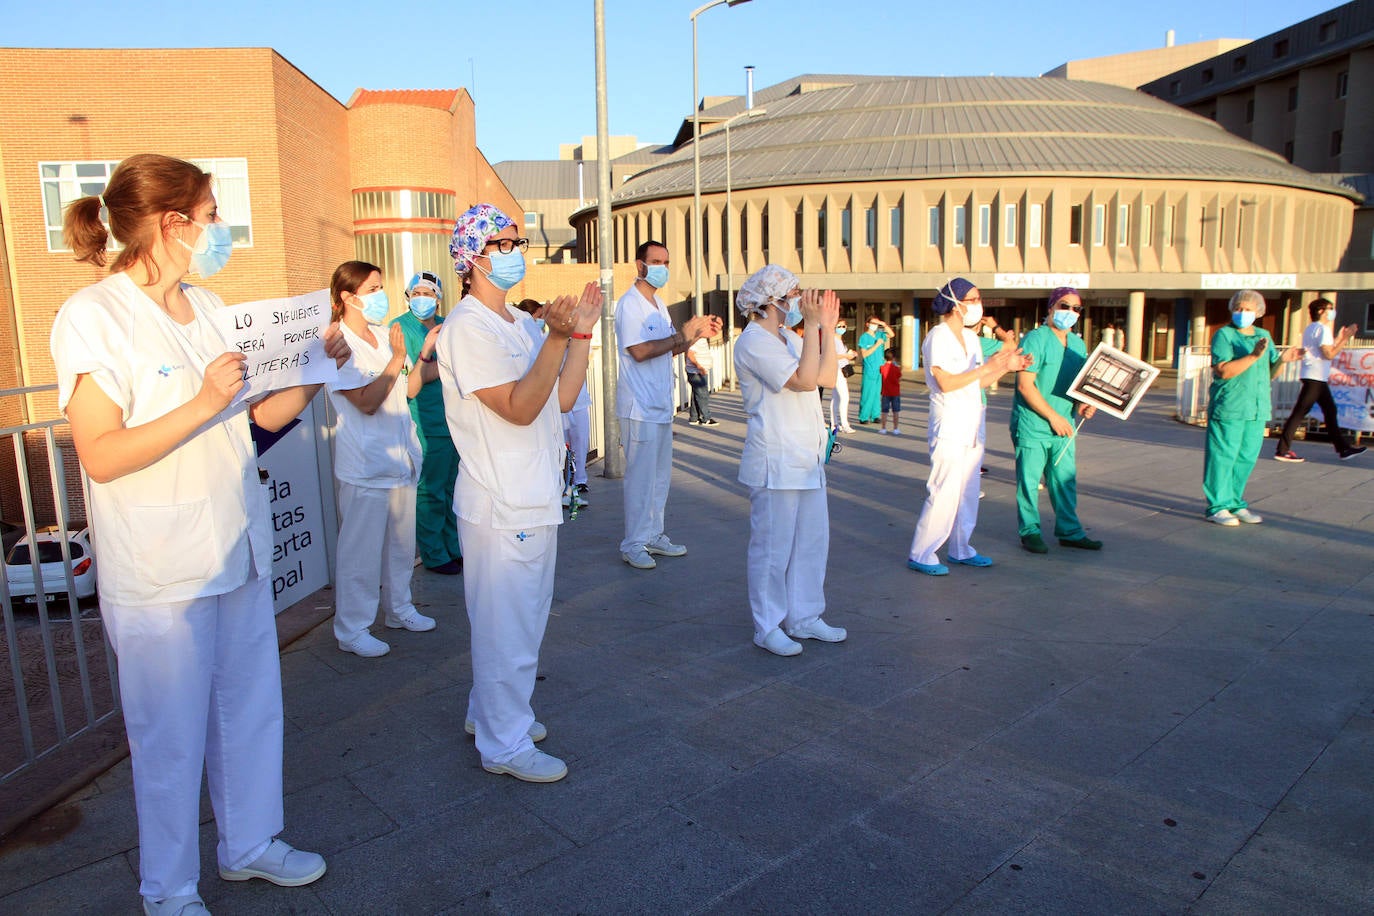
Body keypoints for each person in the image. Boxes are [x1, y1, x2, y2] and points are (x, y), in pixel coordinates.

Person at [51, 154, 336, 914]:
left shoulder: (208, 306)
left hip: (234, 547)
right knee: (169, 737)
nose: (220, 228)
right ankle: (169, 889)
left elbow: (256, 419)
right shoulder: (94, 316)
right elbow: (100, 454)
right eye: (211, 215)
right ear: (172, 223)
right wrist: (205, 400)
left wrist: (316, 369)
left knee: (250, 707)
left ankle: (250, 844)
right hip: (160, 569)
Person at [436, 204, 602, 782]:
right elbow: (518, 406)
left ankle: (490, 711)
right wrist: (556, 336)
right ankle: (503, 744)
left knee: (523, 620)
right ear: (472, 257)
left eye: (516, 242)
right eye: (502, 243)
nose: (514, 252)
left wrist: (579, 332)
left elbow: (561, 397)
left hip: (532, 492)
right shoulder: (467, 328)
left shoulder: (517, 323)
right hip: (501, 498)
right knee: (506, 626)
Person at [733, 265, 847, 656]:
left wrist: (825, 328)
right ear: (771, 300)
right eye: (793, 293)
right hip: (775, 460)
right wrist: (813, 326)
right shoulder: (753, 341)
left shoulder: (789, 338)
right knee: (772, 548)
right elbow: (802, 381)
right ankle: (767, 626)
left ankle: (805, 617)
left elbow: (825, 377)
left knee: (812, 542)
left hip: (806, 458)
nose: (799, 300)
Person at [327, 261, 434, 658]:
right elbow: (367, 401)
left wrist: (420, 356)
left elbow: (406, 390)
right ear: (348, 297)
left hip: (400, 458)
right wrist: (396, 358)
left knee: (401, 547)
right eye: (372, 289)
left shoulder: (382, 335)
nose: (380, 296)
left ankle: (399, 608)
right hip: (366, 465)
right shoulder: (338, 344)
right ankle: (352, 629)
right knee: (361, 553)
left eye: (379, 287)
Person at [907, 279, 1030, 575]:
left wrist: (1005, 367)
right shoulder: (937, 336)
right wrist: (988, 367)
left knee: (968, 491)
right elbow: (946, 383)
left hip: (973, 423)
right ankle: (922, 552)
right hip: (949, 423)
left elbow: (979, 381)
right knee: (944, 490)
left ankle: (961, 549)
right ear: (955, 303)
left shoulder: (971, 338)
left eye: (978, 298)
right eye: (973, 299)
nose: (978, 305)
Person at [614, 240, 721, 569]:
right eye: (657, 262)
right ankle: (633, 543)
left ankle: (653, 535)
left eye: (666, 262)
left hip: (660, 406)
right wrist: (681, 336)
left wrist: (696, 334)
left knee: (659, 478)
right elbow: (639, 351)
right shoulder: (629, 305)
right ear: (640, 265)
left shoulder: (659, 305)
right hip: (639, 407)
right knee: (641, 480)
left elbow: (671, 348)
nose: (663, 268)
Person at [1011, 287, 1103, 554]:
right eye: (1064, 306)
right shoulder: (1035, 339)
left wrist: (1083, 405)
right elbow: (1025, 386)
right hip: (1034, 424)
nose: (1070, 312)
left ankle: (1069, 531)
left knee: (1064, 480)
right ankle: (1030, 531)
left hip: (1064, 425)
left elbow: (1077, 386)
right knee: (1029, 481)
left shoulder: (1077, 344)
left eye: (1076, 308)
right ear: (1050, 308)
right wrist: (1052, 417)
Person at [1204, 290, 1304, 525]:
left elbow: (1269, 372)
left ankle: (1235, 503)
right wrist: (1253, 356)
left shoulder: (1263, 335)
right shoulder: (1224, 335)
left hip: (1256, 407)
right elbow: (1224, 371)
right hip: (1230, 405)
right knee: (1223, 456)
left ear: (1258, 312)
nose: (1242, 312)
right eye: (1238, 308)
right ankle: (1217, 506)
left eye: (1247, 309)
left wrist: (1283, 360)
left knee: (1246, 457)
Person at [390, 270, 462, 575]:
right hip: (425, 420)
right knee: (431, 489)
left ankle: (453, 546)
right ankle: (434, 553)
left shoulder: (449, 324)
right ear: (408, 296)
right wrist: (444, 365)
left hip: (455, 419)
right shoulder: (399, 329)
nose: (422, 299)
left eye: (428, 293)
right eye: (416, 293)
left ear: (439, 298)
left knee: (452, 487)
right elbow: (412, 379)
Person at [517, 298, 591, 509]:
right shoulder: (536, 339)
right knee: (560, 446)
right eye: (539, 316)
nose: (541, 320)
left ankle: (577, 482)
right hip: (551, 401)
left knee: (580, 442)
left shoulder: (567, 336)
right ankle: (562, 486)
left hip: (577, 398)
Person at [1274, 298, 1367, 463]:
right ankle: (1282, 450)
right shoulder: (1323, 329)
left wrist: (1339, 339)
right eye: (1329, 308)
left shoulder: (1311, 328)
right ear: (1320, 311)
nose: (1332, 311)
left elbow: (1324, 349)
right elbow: (1329, 354)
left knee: (1330, 411)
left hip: (1315, 376)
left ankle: (1343, 449)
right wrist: (1346, 338)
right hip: (1315, 377)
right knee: (1300, 413)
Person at [856, 314, 892, 424]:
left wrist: (883, 324)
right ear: (867, 324)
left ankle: (875, 415)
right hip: (869, 369)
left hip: (879, 369)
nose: (875, 325)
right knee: (867, 393)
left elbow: (891, 334)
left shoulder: (879, 334)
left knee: (876, 394)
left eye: (877, 324)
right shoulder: (864, 337)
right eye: (873, 323)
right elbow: (865, 354)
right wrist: (876, 345)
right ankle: (863, 417)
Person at [829, 319, 857, 432]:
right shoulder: (832, 339)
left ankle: (834, 423)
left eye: (844, 326)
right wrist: (846, 356)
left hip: (841, 369)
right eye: (839, 326)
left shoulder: (841, 340)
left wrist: (850, 354)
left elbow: (842, 354)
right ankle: (844, 424)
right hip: (836, 369)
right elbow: (832, 355)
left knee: (836, 397)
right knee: (844, 397)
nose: (842, 328)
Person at [685, 334, 718, 426]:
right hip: (696, 372)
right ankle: (706, 418)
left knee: (696, 394)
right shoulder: (695, 339)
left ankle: (694, 417)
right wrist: (699, 367)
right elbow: (690, 354)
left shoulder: (701, 339)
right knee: (702, 394)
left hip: (698, 371)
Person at [879, 348, 902, 434]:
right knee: (896, 411)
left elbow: (881, 372)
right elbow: (899, 377)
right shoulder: (896, 368)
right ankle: (895, 428)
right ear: (894, 358)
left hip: (885, 392)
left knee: (884, 411)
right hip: (895, 392)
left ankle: (883, 428)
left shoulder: (883, 367)